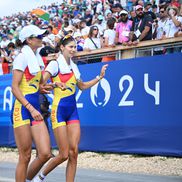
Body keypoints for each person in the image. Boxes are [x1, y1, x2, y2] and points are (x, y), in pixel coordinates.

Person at [33, 35, 108, 182]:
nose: (73, 50)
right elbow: (39, 84)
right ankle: (40, 177)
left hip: (72, 112)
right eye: (70, 47)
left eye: (75, 47)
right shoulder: (55, 64)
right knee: (63, 154)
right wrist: (54, 85)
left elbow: (83, 86)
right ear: (62, 47)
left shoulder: (74, 67)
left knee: (74, 153)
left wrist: (99, 77)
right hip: (58, 111)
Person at [11, 25, 53, 182]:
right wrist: (30, 108)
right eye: (39, 37)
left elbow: (35, 86)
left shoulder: (36, 58)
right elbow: (15, 87)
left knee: (45, 153)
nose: (42, 39)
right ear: (28, 40)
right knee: (25, 156)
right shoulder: (22, 57)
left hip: (34, 109)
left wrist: (49, 87)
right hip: (22, 109)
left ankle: (28, 180)